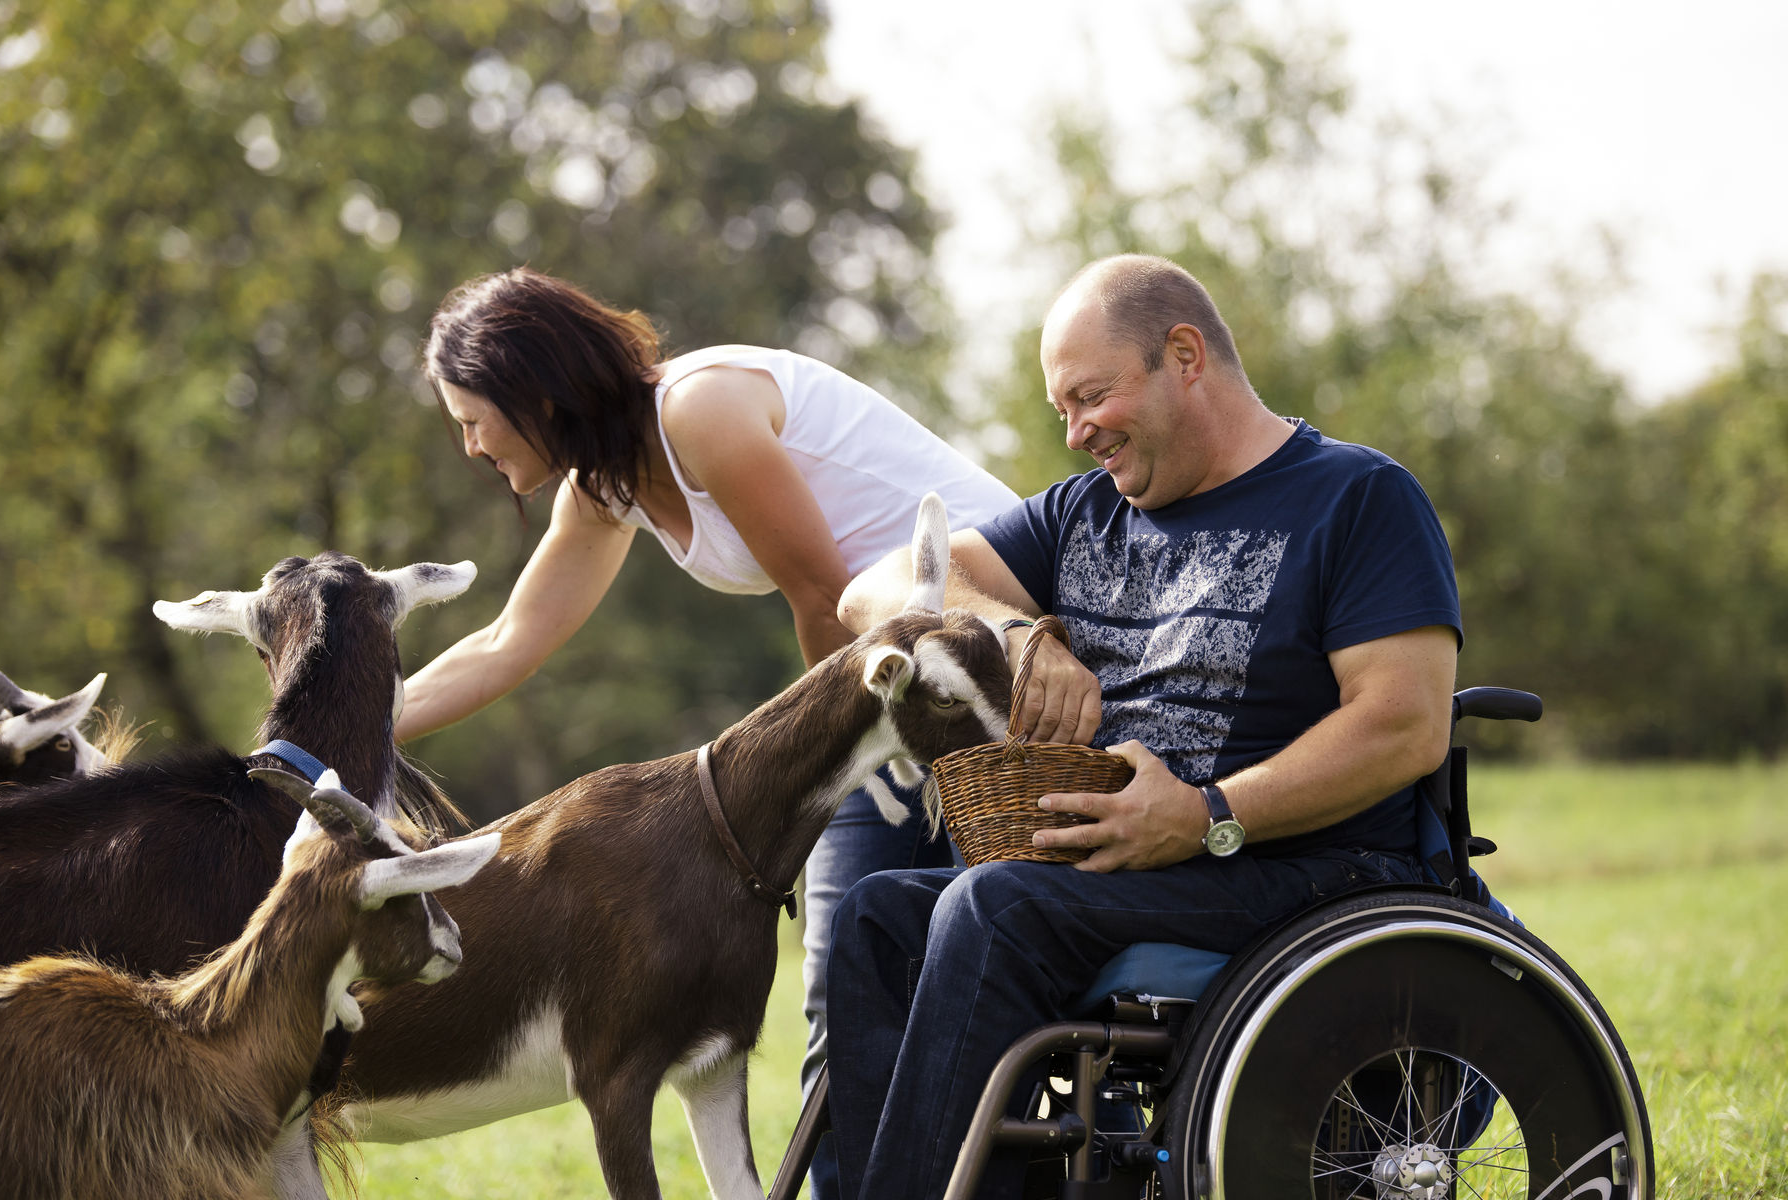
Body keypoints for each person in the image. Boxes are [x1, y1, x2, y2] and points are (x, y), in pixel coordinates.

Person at [824, 254, 1462, 1200]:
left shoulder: (1356, 498)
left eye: (1092, 397)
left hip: (1301, 870)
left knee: (993, 905)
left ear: (1184, 355)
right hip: (1122, 872)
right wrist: (1020, 633)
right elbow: (870, 592)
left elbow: (1405, 727)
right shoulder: (1083, 515)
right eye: (1062, 411)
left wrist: (1208, 813)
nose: (1079, 433)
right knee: (878, 916)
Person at [395, 268, 1017, 1196]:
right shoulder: (608, 489)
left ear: (537, 393)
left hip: (984, 652)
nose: (471, 445)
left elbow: (823, 595)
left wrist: (851, 764)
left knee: (988, 972)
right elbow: (503, 643)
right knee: (845, 998)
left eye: (473, 419)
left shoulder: (702, 410)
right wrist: (330, 728)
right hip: (885, 693)